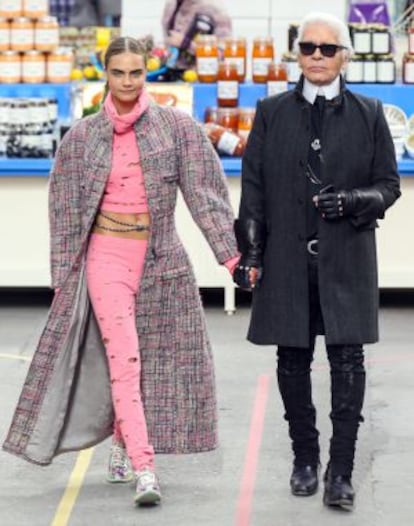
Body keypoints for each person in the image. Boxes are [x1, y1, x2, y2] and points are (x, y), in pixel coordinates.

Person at [3, 36, 239, 507]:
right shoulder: (82, 138)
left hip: (163, 259)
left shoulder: (177, 128)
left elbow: (206, 194)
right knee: (125, 359)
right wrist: (63, 278)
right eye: (119, 73)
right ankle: (146, 467)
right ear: (104, 74)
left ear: (146, 72)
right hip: (105, 259)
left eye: (136, 73)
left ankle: (121, 442)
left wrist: (230, 257)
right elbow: (66, 213)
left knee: (154, 362)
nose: (128, 82)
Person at [233, 12, 400, 511]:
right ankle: (304, 458)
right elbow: (254, 191)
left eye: (329, 49)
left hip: (348, 254)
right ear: (297, 53)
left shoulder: (370, 112)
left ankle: (341, 470)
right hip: (286, 257)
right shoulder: (270, 111)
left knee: (348, 361)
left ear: (345, 55)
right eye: (309, 47)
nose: (318, 57)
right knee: (292, 358)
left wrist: (351, 200)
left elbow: (388, 186)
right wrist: (251, 254)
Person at [161, 0, 232, 70]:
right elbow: (168, 46)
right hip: (171, 76)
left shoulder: (216, 9)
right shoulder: (170, 6)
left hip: (203, 78)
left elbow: (223, 55)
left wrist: (187, 44)